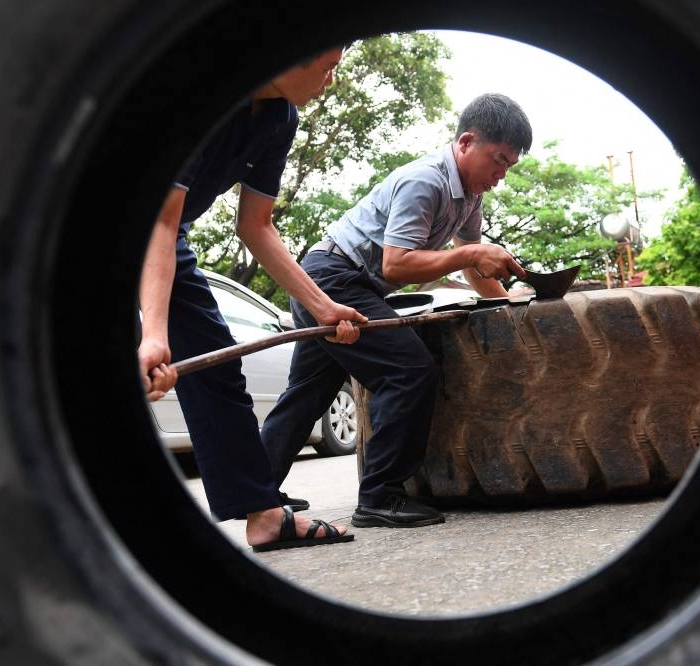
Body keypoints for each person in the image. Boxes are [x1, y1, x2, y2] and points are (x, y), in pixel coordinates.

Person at [261, 93, 532, 528]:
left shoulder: (470, 195)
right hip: (333, 278)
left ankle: (257, 491)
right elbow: (397, 263)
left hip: (341, 279)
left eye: (508, 167)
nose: (500, 176)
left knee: (310, 390)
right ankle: (380, 496)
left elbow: (472, 259)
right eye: (497, 160)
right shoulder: (425, 180)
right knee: (408, 371)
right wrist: (472, 256)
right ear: (466, 142)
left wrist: (511, 303)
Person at [138, 46, 368, 552]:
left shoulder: (280, 118)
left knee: (215, 368)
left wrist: (325, 307)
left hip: (168, 236)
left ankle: (265, 514)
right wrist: (155, 333)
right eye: (326, 64)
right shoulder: (202, 93)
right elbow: (158, 217)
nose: (331, 78)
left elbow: (256, 226)